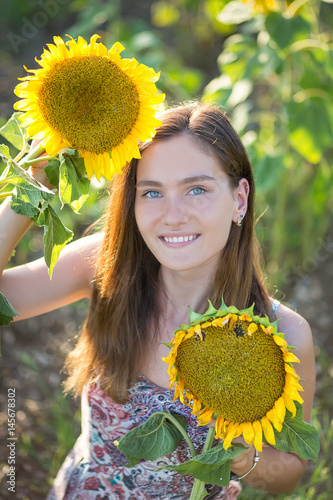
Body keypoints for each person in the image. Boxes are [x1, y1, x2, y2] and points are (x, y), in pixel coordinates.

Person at [0, 102, 315, 499]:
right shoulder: (107, 265)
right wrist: (34, 185)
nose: (173, 215)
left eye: (196, 189)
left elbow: (287, 475)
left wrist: (242, 454)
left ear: (239, 199)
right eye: (152, 192)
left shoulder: (280, 334)